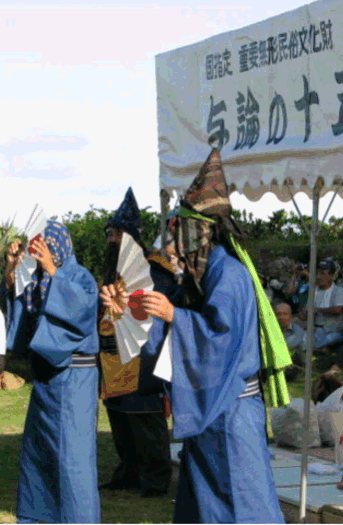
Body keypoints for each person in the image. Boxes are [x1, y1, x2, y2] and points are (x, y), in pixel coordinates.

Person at [103, 148, 288, 523]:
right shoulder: (195, 277)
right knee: (204, 505)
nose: (171, 240)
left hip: (231, 409)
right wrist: (126, 310)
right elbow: (162, 323)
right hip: (208, 405)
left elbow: (220, 337)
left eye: (177, 229)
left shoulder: (228, 275)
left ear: (199, 230)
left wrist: (175, 316)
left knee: (241, 503)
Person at [3, 220, 100, 524]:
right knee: (38, 451)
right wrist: (13, 271)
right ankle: (39, 517)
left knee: (73, 457)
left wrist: (55, 274)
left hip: (75, 380)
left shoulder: (79, 276)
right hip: (46, 378)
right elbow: (22, 317)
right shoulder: (36, 279)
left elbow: (84, 309)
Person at [97, 188, 174, 498]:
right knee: (119, 413)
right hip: (112, 351)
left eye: (117, 233)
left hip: (145, 350)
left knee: (144, 415)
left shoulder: (156, 270)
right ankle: (128, 472)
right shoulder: (109, 270)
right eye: (109, 233)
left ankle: (156, 479)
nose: (111, 239)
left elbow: (160, 304)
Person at [300, 259, 343, 352]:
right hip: (316, 330)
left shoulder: (339, 291)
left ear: (331, 276)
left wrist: (316, 310)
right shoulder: (314, 291)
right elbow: (307, 312)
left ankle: (318, 348)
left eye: (322, 273)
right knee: (301, 337)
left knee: (332, 338)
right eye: (317, 273)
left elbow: (338, 309)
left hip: (333, 331)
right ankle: (320, 349)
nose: (318, 276)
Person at [275, 302, 306, 381]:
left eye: (285, 314)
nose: (281, 317)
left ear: (291, 316)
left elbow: (284, 349)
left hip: (291, 366)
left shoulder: (298, 332)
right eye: (278, 314)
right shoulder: (270, 331)